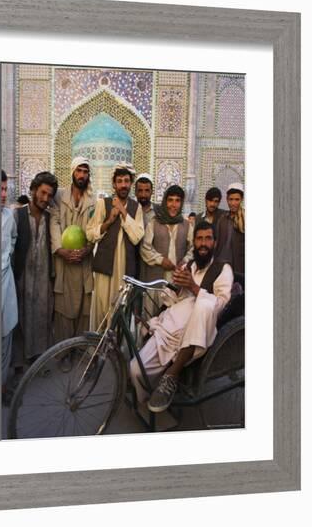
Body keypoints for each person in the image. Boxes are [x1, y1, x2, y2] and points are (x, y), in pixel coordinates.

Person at [130, 221, 233, 411]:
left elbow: (220, 306)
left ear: (215, 243)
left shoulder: (223, 270)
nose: (203, 243)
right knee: (136, 371)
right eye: (199, 239)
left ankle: (172, 374)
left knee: (204, 304)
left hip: (196, 335)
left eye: (208, 239)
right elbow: (170, 300)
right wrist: (177, 288)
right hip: (169, 329)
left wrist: (194, 287)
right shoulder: (189, 265)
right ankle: (146, 399)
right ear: (194, 242)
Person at [87, 164, 144, 331]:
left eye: (126, 181)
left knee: (120, 311)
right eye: (119, 181)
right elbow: (90, 233)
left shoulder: (136, 208)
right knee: (101, 310)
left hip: (125, 269)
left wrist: (123, 211)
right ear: (114, 184)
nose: (123, 185)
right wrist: (109, 221)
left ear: (131, 183)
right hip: (105, 267)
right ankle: (96, 351)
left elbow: (137, 236)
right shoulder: (102, 204)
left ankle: (115, 354)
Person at [13, 171, 58, 365]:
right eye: (42, 193)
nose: (45, 198)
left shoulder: (51, 219)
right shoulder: (18, 215)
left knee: (42, 317)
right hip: (22, 277)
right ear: (33, 190)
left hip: (43, 279)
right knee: (21, 318)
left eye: (49, 195)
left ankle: (39, 361)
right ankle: (20, 362)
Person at [50, 157, 96, 343]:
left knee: (84, 311)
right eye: (79, 171)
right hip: (64, 263)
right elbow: (55, 221)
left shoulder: (94, 201)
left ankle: (79, 352)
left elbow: (95, 228)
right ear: (72, 172)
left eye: (85, 172)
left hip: (84, 264)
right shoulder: (59, 196)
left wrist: (87, 249)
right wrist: (60, 250)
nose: (82, 175)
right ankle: (63, 354)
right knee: (64, 311)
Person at [140, 184, 193, 316]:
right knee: (151, 321)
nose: (173, 205)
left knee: (173, 322)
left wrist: (185, 261)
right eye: (170, 200)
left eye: (177, 201)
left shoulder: (186, 225)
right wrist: (160, 260)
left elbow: (193, 249)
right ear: (165, 201)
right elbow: (145, 248)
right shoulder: (154, 222)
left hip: (177, 285)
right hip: (155, 284)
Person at [0, 170, 18, 390]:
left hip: (5, 281)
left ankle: (2, 386)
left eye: (5, 189)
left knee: (6, 338)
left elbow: (12, 240)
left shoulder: (8, 217)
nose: (3, 194)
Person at [215, 182, 245, 275]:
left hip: (239, 268)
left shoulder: (245, 219)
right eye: (231, 199)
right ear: (227, 200)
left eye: (237, 199)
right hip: (221, 266)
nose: (233, 203)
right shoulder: (222, 219)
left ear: (241, 200)